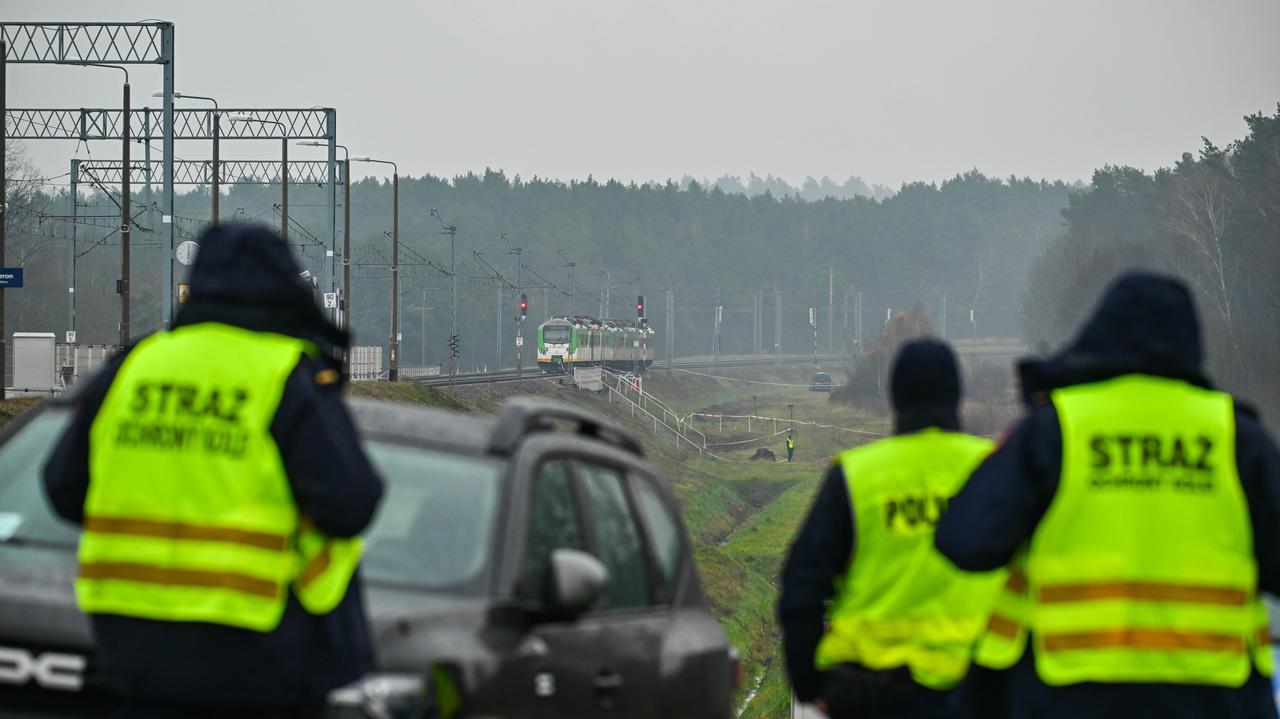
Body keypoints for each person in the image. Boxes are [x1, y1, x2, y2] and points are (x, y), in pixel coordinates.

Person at [44, 222, 385, 717]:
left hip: (130, 646)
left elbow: (62, 488)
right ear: (284, 287)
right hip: (250, 650)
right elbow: (350, 503)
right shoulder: (287, 372)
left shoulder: (135, 365)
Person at [936, 271, 1280, 719]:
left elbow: (964, 541)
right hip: (1213, 694)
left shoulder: (1054, 430)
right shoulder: (1238, 437)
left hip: (1067, 693)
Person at [778, 339, 1004, 718]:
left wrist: (809, 685)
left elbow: (801, 586)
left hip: (868, 695)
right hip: (975, 689)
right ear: (957, 396)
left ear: (895, 397)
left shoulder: (855, 475)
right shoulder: (994, 468)